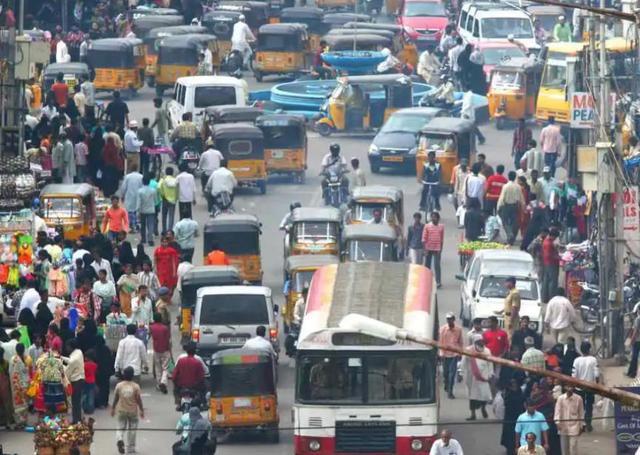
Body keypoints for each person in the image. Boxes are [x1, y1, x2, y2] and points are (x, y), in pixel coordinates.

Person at [111, 366, 145, 455]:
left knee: (120, 427)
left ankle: (119, 439)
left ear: (124, 375)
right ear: (132, 375)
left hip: (121, 410)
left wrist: (113, 408)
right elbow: (138, 399)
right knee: (132, 429)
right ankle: (130, 448)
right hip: (132, 411)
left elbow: (116, 398)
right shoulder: (136, 386)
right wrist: (141, 410)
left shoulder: (119, 385)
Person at [460, 336, 493, 420]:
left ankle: (483, 408)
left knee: (484, 395)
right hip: (472, 377)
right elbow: (463, 362)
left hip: (484, 376)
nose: (481, 342)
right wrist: (461, 372)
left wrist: (490, 374)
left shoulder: (487, 351)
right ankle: (473, 414)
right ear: (475, 342)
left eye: (482, 341)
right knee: (473, 396)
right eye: (479, 341)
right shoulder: (469, 350)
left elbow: (490, 363)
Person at [572, 340, 599, 432]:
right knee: (589, 406)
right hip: (590, 387)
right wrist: (597, 385)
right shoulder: (593, 360)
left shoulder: (576, 360)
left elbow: (574, 375)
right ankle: (588, 423)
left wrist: (574, 386)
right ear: (589, 349)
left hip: (579, 387)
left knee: (580, 406)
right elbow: (596, 374)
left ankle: (581, 425)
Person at [172, 342, 206, 408]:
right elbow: (201, 377)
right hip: (194, 387)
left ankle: (178, 403)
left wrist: (176, 383)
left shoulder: (181, 360)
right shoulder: (197, 362)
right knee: (204, 387)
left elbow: (174, 376)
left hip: (182, 387)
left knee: (175, 388)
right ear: (195, 351)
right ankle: (203, 403)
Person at [554, 384, 584, 455]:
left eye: (571, 386)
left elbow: (581, 412)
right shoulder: (560, 398)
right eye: (568, 386)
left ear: (574, 388)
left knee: (573, 446)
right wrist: (557, 422)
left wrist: (581, 425)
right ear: (565, 387)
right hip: (563, 426)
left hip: (574, 426)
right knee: (564, 448)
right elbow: (557, 411)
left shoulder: (578, 398)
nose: (570, 388)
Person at [439, 313, 463, 399]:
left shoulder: (458, 329)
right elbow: (440, 342)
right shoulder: (443, 329)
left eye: (450, 319)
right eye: (448, 319)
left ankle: (450, 391)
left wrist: (460, 353)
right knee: (446, 373)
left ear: (453, 319)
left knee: (452, 374)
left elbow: (460, 342)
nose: (449, 321)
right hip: (445, 354)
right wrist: (441, 353)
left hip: (454, 354)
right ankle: (446, 384)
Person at [498, 171, 526, 245]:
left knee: (505, 222)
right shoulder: (518, 187)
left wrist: (499, 207)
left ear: (508, 177)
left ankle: (510, 234)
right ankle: (511, 239)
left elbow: (502, 197)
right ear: (515, 177)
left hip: (506, 206)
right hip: (515, 206)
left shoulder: (505, 186)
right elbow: (521, 198)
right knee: (514, 222)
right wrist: (523, 207)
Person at [63, 338, 85, 423]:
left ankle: (76, 420)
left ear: (71, 347)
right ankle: (78, 419)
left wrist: (60, 365)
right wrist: (61, 358)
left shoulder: (73, 360)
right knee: (77, 401)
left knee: (75, 402)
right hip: (81, 379)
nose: (66, 348)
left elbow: (67, 372)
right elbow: (70, 360)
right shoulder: (79, 352)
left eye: (67, 346)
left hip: (76, 381)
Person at [502, 378, 525, 455]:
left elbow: (522, 401)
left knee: (518, 432)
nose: (514, 385)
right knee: (510, 435)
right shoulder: (508, 392)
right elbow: (506, 402)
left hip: (518, 415)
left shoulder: (519, 391)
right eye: (512, 383)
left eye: (515, 383)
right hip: (509, 416)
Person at [149, 313, 171, 394]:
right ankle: (163, 382)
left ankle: (159, 384)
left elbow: (149, 335)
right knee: (165, 367)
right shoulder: (165, 328)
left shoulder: (152, 327)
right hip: (165, 349)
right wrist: (169, 349)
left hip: (156, 349)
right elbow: (168, 339)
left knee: (158, 368)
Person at [9, 342, 29, 426]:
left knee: (20, 404)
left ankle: (21, 422)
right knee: (21, 404)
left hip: (17, 385)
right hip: (19, 385)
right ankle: (21, 422)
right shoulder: (17, 360)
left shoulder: (14, 358)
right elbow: (19, 373)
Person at [120, 164, 143, 233]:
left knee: (130, 211)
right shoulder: (141, 176)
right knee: (136, 211)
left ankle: (131, 226)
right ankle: (136, 225)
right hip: (138, 196)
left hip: (129, 196)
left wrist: (122, 195)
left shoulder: (127, 177)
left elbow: (123, 187)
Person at [137, 175, 158, 246]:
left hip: (142, 210)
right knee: (150, 225)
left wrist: (138, 211)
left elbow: (138, 202)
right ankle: (150, 239)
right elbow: (155, 200)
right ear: (149, 182)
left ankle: (143, 238)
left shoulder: (140, 191)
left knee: (143, 225)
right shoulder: (153, 190)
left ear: (142, 182)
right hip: (151, 209)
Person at [541, 228, 560, 303]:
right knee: (552, 282)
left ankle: (545, 297)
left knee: (546, 281)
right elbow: (549, 255)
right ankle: (552, 298)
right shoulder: (548, 243)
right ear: (553, 236)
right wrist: (559, 257)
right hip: (552, 263)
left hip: (546, 263)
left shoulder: (546, 241)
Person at [95, 336, 114, 409]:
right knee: (105, 387)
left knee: (98, 387)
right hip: (106, 371)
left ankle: (98, 403)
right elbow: (111, 359)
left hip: (98, 371)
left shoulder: (94, 350)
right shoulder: (106, 349)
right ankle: (105, 402)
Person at [159, 167, 178, 234]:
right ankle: (170, 231)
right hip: (173, 200)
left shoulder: (163, 180)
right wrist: (176, 198)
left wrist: (162, 194)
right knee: (171, 216)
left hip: (165, 199)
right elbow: (177, 190)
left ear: (166, 172)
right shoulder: (175, 180)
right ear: (172, 173)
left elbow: (158, 187)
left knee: (164, 215)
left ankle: (164, 230)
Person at [82, 350, 98, 415]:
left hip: (85, 381)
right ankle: (90, 409)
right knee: (91, 395)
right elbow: (95, 373)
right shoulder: (95, 365)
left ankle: (85, 408)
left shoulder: (84, 365)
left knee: (84, 395)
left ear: (88, 357)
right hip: (92, 382)